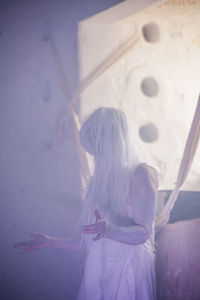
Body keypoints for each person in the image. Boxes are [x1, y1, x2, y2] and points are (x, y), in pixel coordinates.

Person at [14, 107, 159, 300]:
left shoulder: (140, 176)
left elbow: (144, 233)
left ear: (115, 144)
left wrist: (110, 230)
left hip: (127, 270)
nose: (96, 159)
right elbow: (89, 240)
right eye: (93, 153)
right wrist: (51, 241)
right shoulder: (97, 184)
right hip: (99, 267)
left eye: (98, 151)